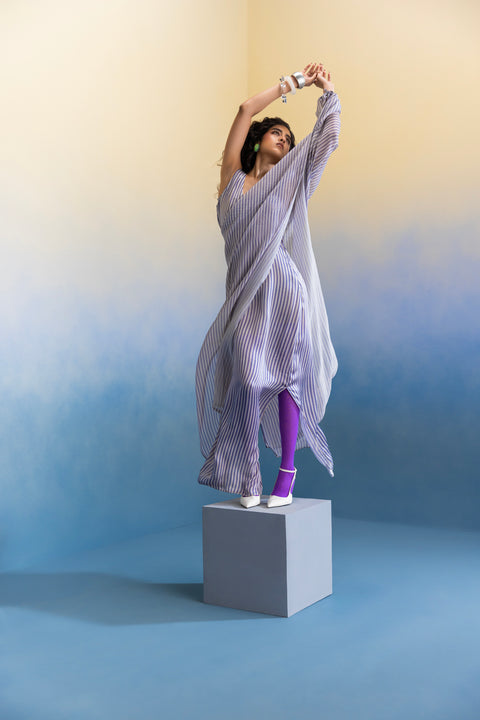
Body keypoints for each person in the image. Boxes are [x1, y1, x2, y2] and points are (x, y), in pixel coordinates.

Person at [196, 62, 341, 508]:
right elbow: (244, 109)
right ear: (259, 141)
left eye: (289, 139)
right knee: (246, 377)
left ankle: (287, 474)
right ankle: (246, 474)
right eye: (277, 133)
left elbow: (325, 140)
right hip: (244, 297)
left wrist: (326, 91)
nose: (284, 140)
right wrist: (294, 83)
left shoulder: (291, 182)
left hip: (284, 290)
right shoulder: (231, 182)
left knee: (286, 376)